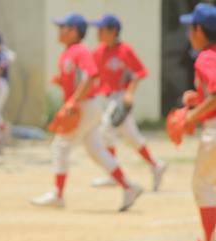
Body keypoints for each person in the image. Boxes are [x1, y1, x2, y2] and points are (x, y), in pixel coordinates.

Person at [31, 13, 142, 212]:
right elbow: (79, 77)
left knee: (61, 146)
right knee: (97, 151)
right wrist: (62, 82)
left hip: (83, 106)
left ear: (73, 31)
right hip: (87, 106)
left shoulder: (79, 50)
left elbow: (91, 75)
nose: (59, 31)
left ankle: (57, 194)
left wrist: (73, 100)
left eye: (63, 27)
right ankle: (129, 186)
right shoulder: (70, 51)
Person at [89, 14, 167, 191]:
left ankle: (114, 173)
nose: (98, 33)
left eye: (102, 29)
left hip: (121, 98)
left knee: (105, 132)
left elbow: (140, 72)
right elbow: (95, 76)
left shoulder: (125, 50)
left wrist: (130, 93)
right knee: (132, 138)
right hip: (108, 98)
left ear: (113, 31)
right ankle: (156, 165)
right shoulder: (99, 51)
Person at [178, 4, 216, 241]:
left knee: (202, 184)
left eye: (191, 27)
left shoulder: (206, 57)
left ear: (200, 30)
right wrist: (196, 99)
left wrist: (191, 115)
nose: (189, 33)